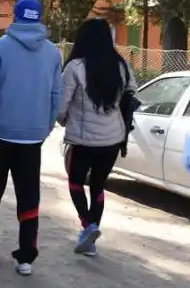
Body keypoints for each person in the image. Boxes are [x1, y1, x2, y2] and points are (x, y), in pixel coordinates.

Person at [0, 0, 62, 275]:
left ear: (14, 16)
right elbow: (55, 94)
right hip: (33, 135)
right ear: (38, 17)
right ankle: (26, 256)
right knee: (29, 194)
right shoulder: (52, 53)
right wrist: (45, 125)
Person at [56, 18, 137, 256]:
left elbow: (62, 105)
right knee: (98, 186)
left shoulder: (75, 68)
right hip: (112, 139)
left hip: (83, 141)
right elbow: (132, 93)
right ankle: (90, 240)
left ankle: (88, 226)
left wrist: (62, 121)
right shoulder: (121, 66)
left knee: (75, 182)